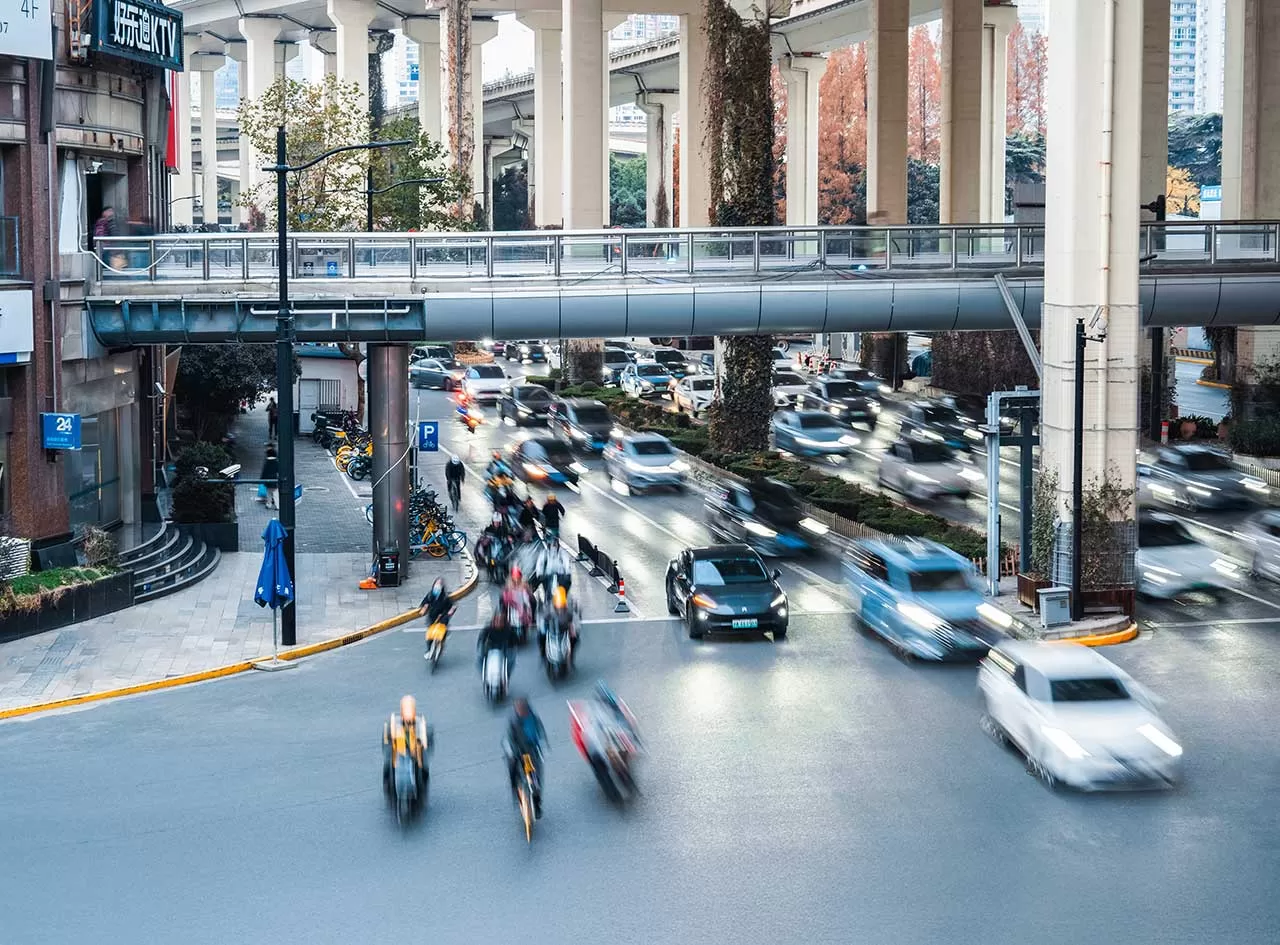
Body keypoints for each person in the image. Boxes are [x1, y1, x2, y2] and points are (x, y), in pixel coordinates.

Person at [504, 697, 548, 818]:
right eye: (518, 709)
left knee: (536, 780)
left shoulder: (533, 718)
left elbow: (541, 732)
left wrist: (543, 745)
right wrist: (511, 752)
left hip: (532, 751)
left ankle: (537, 803)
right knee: (512, 767)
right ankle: (515, 790)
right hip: (517, 751)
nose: (520, 711)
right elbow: (509, 738)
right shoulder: (513, 721)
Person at [382, 694, 429, 794]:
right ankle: (389, 788)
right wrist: (390, 740)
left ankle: (423, 787)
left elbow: (424, 739)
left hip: (414, 753)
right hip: (399, 752)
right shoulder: (394, 722)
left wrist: (422, 743)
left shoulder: (419, 722)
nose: (408, 721)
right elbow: (386, 739)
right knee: (388, 767)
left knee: (424, 769)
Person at [539, 583, 579, 663]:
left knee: (575, 639)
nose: (559, 607)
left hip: (564, 630)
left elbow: (572, 622)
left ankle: (571, 655)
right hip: (551, 629)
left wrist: (573, 631)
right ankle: (543, 653)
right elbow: (544, 618)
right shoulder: (549, 608)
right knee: (541, 635)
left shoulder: (568, 610)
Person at [476, 609, 518, 674]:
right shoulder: (488, 629)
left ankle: (507, 675)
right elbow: (482, 638)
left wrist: (512, 645)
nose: (498, 623)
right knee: (479, 658)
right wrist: (481, 646)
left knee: (511, 660)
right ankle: (484, 674)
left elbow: (515, 640)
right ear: (493, 621)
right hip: (491, 646)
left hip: (505, 646)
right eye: (496, 620)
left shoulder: (509, 630)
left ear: (504, 622)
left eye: (500, 621)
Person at [260, 444, 279, 510]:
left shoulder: (267, 463)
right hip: (274, 479)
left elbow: (264, 471)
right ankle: (277, 505)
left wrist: (261, 479)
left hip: (267, 480)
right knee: (275, 493)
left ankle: (269, 504)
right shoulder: (276, 462)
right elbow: (278, 470)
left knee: (268, 493)